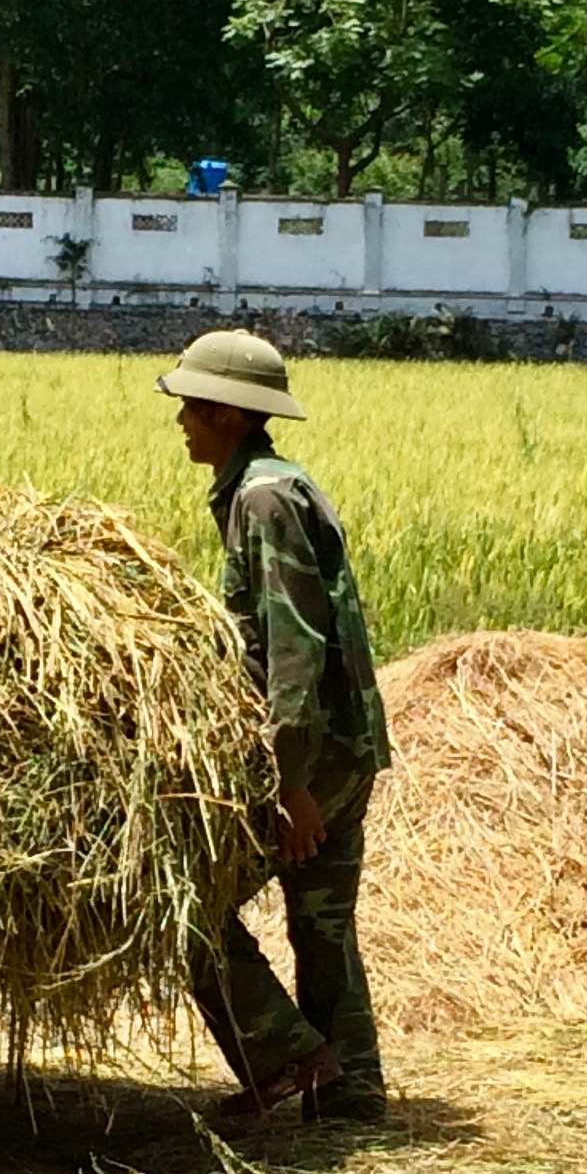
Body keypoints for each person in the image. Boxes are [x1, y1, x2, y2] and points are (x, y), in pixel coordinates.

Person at [159, 328, 391, 1123]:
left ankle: (284, 1055)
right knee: (322, 924)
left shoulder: (262, 499)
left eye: (192, 405)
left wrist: (290, 784)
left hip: (312, 755)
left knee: (180, 906)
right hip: (343, 747)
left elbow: (294, 645)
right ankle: (349, 1095)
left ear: (227, 413)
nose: (181, 420)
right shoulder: (274, 485)